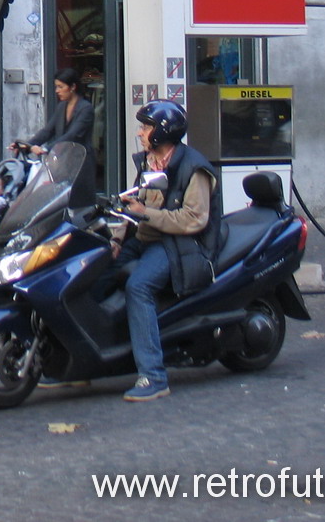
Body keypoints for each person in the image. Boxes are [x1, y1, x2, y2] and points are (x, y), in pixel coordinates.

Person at [112, 99, 222, 402]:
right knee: (97, 270)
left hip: (179, 244)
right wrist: (116, 241)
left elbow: (193, 220)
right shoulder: (149, 162)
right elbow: (134, 204)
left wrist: (146, 214)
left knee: (138, 287)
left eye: (145, 127)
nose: (139, 133)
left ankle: (154, 376)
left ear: (162, 131)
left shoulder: (194, 168)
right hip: (146, 237)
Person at [18, 66, 97, 207]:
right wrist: (26, 144)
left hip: (80, 164)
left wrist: (47, 149)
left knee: (80, 204)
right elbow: (48, 131)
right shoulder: (61, 107)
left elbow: (73, 135)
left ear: (72, 87)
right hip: (63, 164)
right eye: (56, 87)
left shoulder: (86, 108)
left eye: (61, 87)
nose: (57, 91)